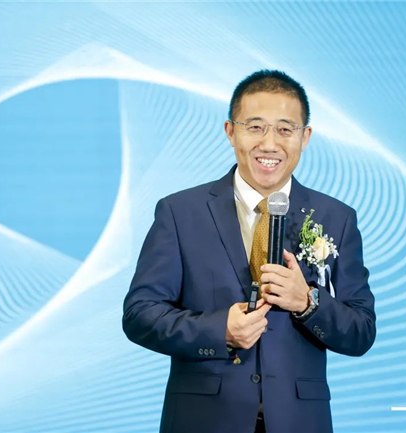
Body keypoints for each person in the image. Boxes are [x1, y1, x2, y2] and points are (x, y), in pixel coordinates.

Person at [122, 70, 376, 433]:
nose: (270, 144)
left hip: (299, 422)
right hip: (203, 421)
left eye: (285, 129)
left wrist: (307, 302)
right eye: (255, 127)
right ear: (230, 131)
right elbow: (139, 314)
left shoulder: (336, 218)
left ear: (305, 137)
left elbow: (361, 332)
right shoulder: (180, 212)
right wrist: (219, 330)